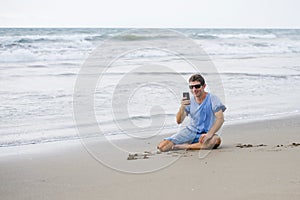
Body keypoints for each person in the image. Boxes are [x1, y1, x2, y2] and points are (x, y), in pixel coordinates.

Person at [157, 74, 226, 152]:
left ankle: (187, 146)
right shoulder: (189, 100)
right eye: (191, 87)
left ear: (204, 86)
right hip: (190, 132)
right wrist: (182, 107)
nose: (194, 90)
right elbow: (179, 121)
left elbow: (220, 119)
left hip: (206, 134)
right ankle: (194, 145)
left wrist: (209, 134)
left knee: (216, 141)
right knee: (162, 147)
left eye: (197, 86)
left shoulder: (213, 99)